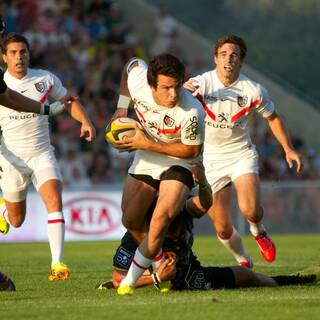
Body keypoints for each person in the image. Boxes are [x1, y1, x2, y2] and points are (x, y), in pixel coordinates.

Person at [98, 164, 318, 292]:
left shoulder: (182, 208)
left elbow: (204, 203)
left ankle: (296, 279)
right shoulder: (134, 237)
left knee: (246, 275)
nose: (170, 218)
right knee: (119, 282)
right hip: (169, 283)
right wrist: (156, 278)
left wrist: (203, 183)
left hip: (192, 274)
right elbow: (119, 279)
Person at [183, 35, 303, 268]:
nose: (229, 58)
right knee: (222, 226)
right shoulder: (200, 84)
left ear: (241, 61)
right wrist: (183, 92)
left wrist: (288, 149)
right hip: (210, 159)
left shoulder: (253, 90)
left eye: (234, 55)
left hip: (240, 154)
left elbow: (273, 118)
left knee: (250, 210)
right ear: (215, 58)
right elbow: (180, 103)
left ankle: (258, 231)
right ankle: (244, 260)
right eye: (224, 54)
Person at [0, 32, 96, 281]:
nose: (19, 56)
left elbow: (68, 101)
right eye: (13, 52)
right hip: (11, 160)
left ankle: (58, 264)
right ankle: (3, 211)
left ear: (29, 54)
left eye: (23, 51)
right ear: (4, 57)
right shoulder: (1, 85)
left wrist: (85, 121)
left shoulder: (44, 79)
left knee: (54, 200)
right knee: (17, 220)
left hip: (42, 153)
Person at [111, 53, 205, 295]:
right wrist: (122, 108)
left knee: (161, 217)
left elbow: (192, 149)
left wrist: (147, 144)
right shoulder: (138, 82)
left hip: (181, 159)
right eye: (165, 88)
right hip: (147, 156)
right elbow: (130, 63)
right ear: (151, 85)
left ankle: (128, 284)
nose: (173, 94)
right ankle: (161, 261)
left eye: (176, 86)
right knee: (130, 219)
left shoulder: (192, 110)